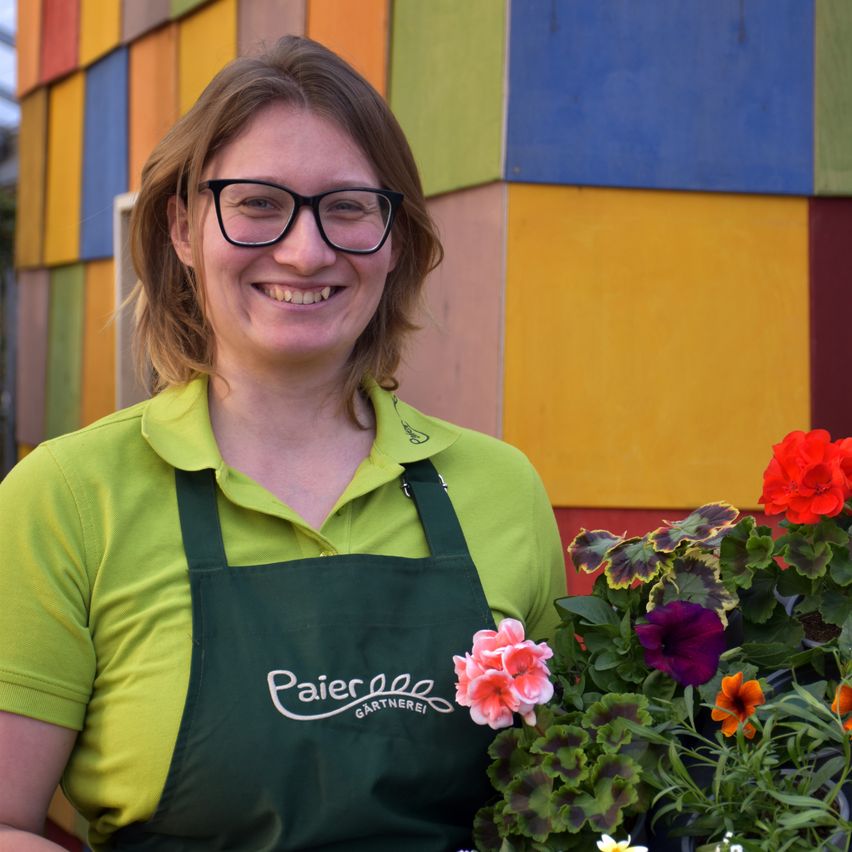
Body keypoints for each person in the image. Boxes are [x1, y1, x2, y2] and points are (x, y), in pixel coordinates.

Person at [0, 36, 566, 851]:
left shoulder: (499, 488)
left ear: (393, 238)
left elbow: (576, 785)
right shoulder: (68, 497)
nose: (306, 250)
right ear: (184, 228)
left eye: (347, 207)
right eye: (259, 202)